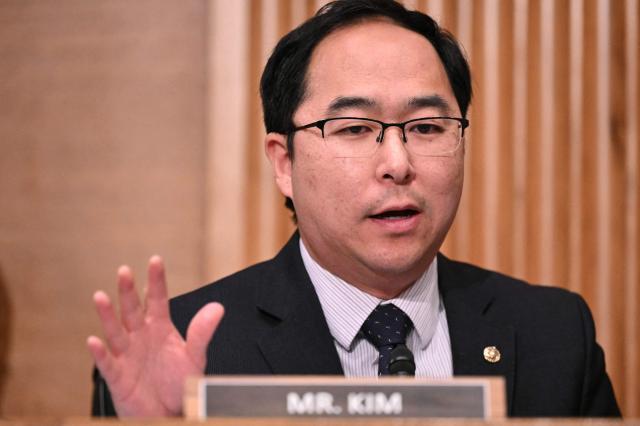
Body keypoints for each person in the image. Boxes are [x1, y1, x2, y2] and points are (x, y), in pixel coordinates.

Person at [88, 0, 621, 418]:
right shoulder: (188, 355)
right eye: (355, 129)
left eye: (427, 127)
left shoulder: (552, 334)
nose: (397, 163)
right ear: (284, 162)